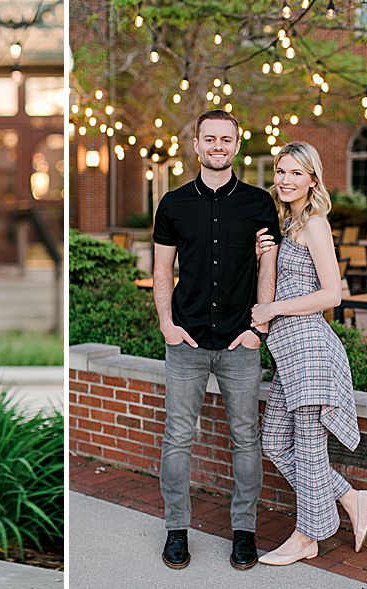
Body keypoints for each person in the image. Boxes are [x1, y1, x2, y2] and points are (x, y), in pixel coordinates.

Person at [151, 109, 281, 571]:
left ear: (237, 144)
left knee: (246, 439)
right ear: (197, 144)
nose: (218, 146)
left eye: (226, 139)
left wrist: (257, 330)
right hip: (184, 341)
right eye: (210, 138)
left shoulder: (259, 204)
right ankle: (176, 531)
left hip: (238, 343)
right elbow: (162, 268)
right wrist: (167, 323)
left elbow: (268, 266)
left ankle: (244, 533)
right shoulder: (173, 204)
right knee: (177, 438)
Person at [249, 141, 367, 566]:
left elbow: (331, 295)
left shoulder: (315, 224)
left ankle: (307, 536)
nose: (284, 180)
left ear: (312, 180)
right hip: (289, 353)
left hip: (311, 349)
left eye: (294, 173)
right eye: (281, 172)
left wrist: (273, 308)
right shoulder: (288, 223)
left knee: (306, 445)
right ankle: (350, 497)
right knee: (274, 442)